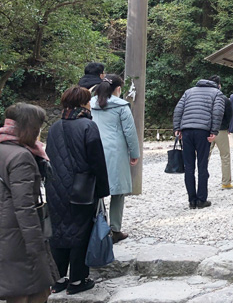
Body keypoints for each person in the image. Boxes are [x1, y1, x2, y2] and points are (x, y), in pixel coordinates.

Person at [46, 86, 110, 295]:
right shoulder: (88, 126)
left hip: (55, 187)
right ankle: (77, 280)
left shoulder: (55, 127)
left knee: (59, 230)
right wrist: (102, 189)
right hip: (82, 187)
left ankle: (58, 279)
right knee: (81, 231)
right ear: (84, 103)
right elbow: (97, 161)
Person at [0, 103, 59, 303]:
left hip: (6, 232)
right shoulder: (21, 156)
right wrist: (37, 246)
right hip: (20, 235)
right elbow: (24, 206)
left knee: (16, 288)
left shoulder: (4, 148)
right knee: (32, 291)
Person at [90, 75, 140, 243]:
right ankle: (115, 229)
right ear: (118, 89)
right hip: (115, 150)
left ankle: (97, 226)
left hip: (93, 148)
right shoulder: (121, 106)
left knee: (96, 189)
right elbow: (130, 132)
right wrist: (135, 153)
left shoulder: (90, 104)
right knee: (118, 191)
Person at [173, 75, 226, 209]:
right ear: (216, 84)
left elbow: (178, 109)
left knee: (189, 166)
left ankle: (192, 200)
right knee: (202, 165)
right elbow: (218, 112)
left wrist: (177, 128)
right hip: (203, 131)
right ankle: (201, 199)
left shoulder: (189, 92)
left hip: (186, 130)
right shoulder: (217, 93)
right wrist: (214, 131)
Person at [208, 77, 233, 189]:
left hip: (207, 130)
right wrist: (227, 126)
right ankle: (226, 182)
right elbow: (229, 114)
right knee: (225, 156)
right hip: (221, 129)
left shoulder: (205, 97)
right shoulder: (224, 99)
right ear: (219, 85)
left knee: (204, 156)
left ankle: (201, 179)